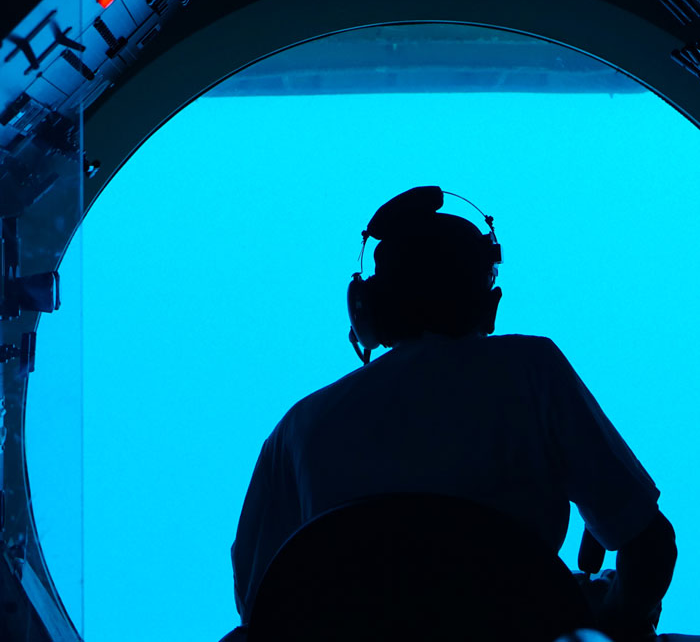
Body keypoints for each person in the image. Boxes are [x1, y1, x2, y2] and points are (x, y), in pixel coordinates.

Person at [230, 186, 676, 640]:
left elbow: (261, 611)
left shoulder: (294, 431)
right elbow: (651, 548)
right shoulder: (532, 370)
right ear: (490, 306)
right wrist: (608, 614)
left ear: (365, 311)